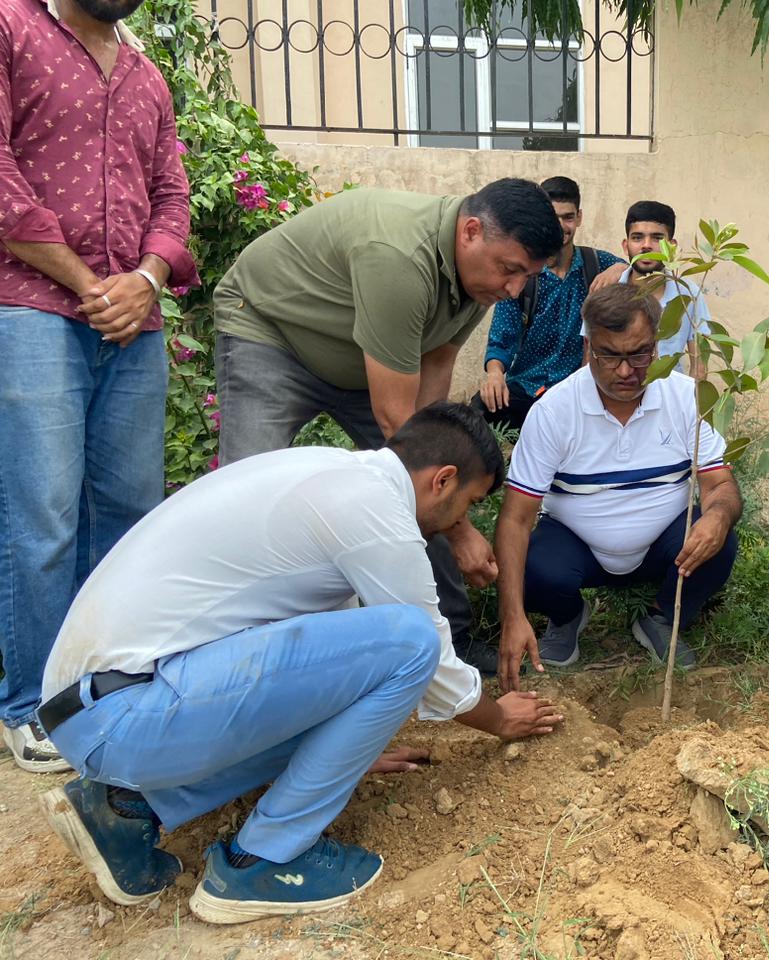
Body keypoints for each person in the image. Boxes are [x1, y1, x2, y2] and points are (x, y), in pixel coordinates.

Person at [38, 403, 564, 924]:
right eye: (465, 504)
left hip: (97, 708)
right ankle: (264, 859)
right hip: (127, 713)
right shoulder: (375, 511)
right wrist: (500, 720)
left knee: (386, 647)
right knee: (411, 640)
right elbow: (432, 666)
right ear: (442, 480)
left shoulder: (329, 476)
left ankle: (123, 810)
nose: (457, 523)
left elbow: (317, 664)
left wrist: (339, 751)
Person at [212, 178, 562, 673]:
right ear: (471, 231)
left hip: (363, 360)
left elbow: (437, 372)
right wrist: (460, 533)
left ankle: (451, 640)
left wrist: (445, 488)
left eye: (526, 276)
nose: (513, 289)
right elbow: (397, 419)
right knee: (249, 491)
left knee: (439, 478)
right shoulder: (398, 257)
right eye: (510, 270)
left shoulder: (479, 278)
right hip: (272, 332)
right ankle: (236, 654)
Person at [0, 0, 198, 773]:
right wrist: (91, 285)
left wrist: (146, 280)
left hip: (132, 324)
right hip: (33, 308)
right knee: (43, 513)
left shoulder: (146, 72)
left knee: (128, 511)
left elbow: (171, 192)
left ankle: (102, 682)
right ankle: (32, 706)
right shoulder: (12, 29)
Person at [495, 284, 741, 691]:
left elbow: (721, 486)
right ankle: (568, 616)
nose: (626, 371)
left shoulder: (685, 398)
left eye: (639, 354)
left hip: (667, 545)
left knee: (721, 537)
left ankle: (660, 616)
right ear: (589, 347)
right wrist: (512, 616)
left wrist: (716, 514)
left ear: (658, 347)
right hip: (576, 547)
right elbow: (515, 519)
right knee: (534, 566)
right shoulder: (554, 411)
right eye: (610, 355)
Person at [472, 176, 626, 429]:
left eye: (568, 217)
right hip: (527, 389)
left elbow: (645, 277)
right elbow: (503, 335)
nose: (561, 226)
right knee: (476, 418)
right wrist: (495, 374)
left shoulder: (597, 264)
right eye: (553, 217)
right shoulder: (524, 272)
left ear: (579, 218)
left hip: (577, 392)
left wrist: (621, 268)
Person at [579, 201, 713, 377]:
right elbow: (589, 358)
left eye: (657, 238)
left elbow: (700, 366)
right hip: (615, 394)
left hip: (669, 399)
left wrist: (689, 402)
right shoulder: (606, 291)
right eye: (637, 237)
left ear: (671, 246)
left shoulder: (688, 294)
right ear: (625, 245)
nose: (646, 245)